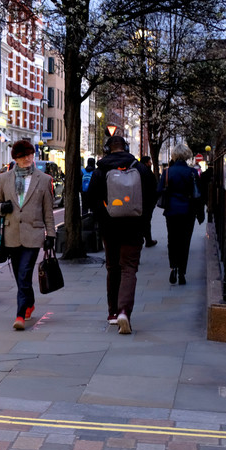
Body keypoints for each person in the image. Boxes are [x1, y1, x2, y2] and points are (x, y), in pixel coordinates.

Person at [86, 136, 157, 335]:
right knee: (129, 268)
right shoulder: (141, 169)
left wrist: (103, 218)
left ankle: (112, 313)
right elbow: (152, 195)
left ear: (107, 149)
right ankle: (125, 310)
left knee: (112, 268)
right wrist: (144, 221)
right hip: (134, 227)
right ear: (126, 148)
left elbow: (91, 199)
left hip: (110, 228)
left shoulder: (101, 170)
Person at [0, 139, 56, 331]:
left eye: (29, 155)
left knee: (24, 272)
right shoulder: (4, 179)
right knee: (21, 277)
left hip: (33, 234)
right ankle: (29, 302)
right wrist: (1, 207)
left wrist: (51, 235)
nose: (27, 159)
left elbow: (48, 211)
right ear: (16, 159)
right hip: (11, 234)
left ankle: (20, 315)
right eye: (22, 156)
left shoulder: (43, 179)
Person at [157, 143, 204, 286]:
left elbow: (159, 190)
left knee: (172, 240)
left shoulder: (167, 172)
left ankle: (173, 267)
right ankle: (182, 272)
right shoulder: (193, 172)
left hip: (171, 210)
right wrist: (200, 213)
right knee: (185, 241)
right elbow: (198, 194)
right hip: (188, 211)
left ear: (174, 156)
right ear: (186, 155)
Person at [139, 156, 158, 248]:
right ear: (146, 163)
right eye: (149, 161)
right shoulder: (147, 172)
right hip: (148, 200)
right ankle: (147, 239)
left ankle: (145, 239)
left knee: (143, 220)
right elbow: (153, 187)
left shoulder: (138, 171)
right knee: (146, 221)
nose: (150, 163)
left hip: (141, 199)